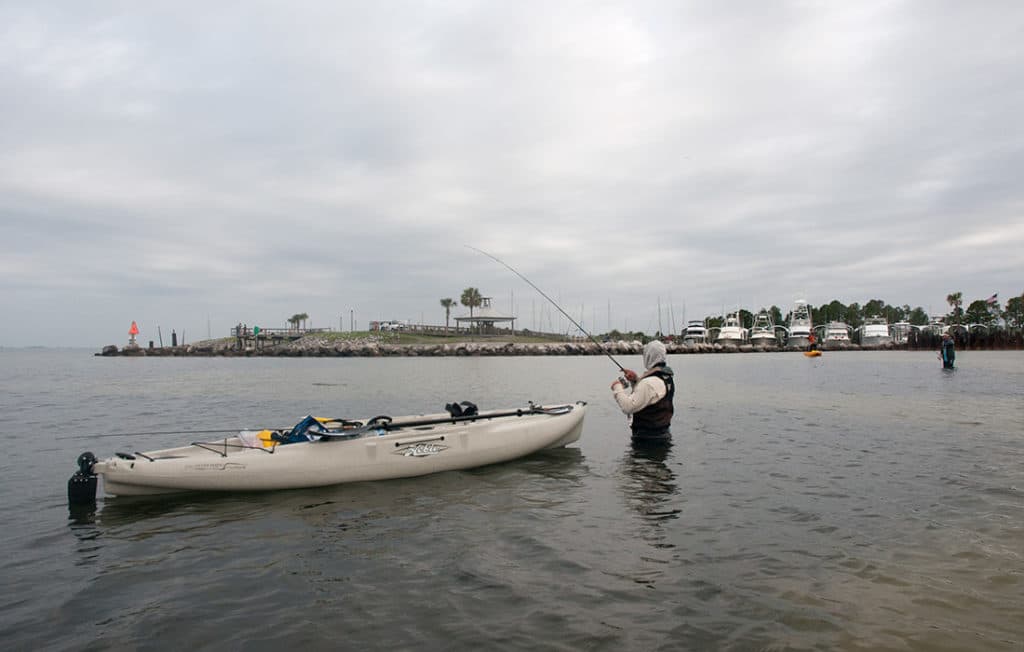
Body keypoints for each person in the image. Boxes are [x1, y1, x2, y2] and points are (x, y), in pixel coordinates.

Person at [610, 340, 675, 443]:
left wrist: (617, 387)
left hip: (647, 440)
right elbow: (651, 396)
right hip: (663, 435)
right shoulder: (666, 376)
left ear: (648, 356)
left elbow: (628, 407)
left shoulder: (648, 383)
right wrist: (635, 380)